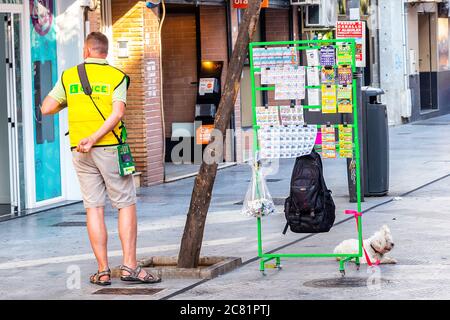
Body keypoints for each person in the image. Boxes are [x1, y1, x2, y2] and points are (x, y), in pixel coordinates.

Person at [41, 32, 160, 286]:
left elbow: (46, 107)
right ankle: (129, 267)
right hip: (109, 148)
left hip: (80, 150)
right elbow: (117, 114)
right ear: (105, 52)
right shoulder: (116, 76)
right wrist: (95, 137)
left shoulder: (69, 76)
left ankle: (103, 271)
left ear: (86, 49)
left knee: (93, 207)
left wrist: (71, 103)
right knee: (125, 203)